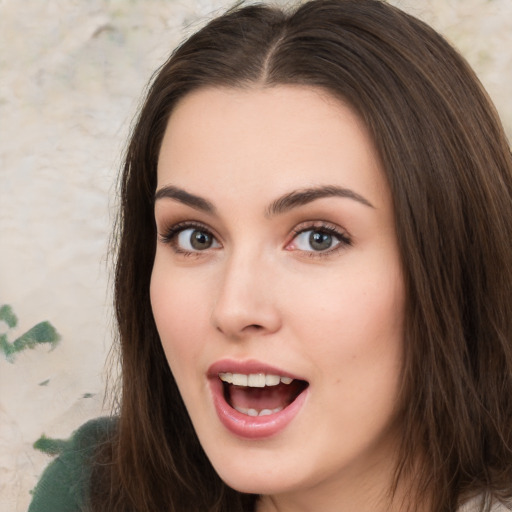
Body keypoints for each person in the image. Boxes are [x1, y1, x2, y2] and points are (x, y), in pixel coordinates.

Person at [28, 0, 512, 511]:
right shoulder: (95, 493)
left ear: (457, 262)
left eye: (318, 238)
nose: (234, 309)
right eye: (195, 236)